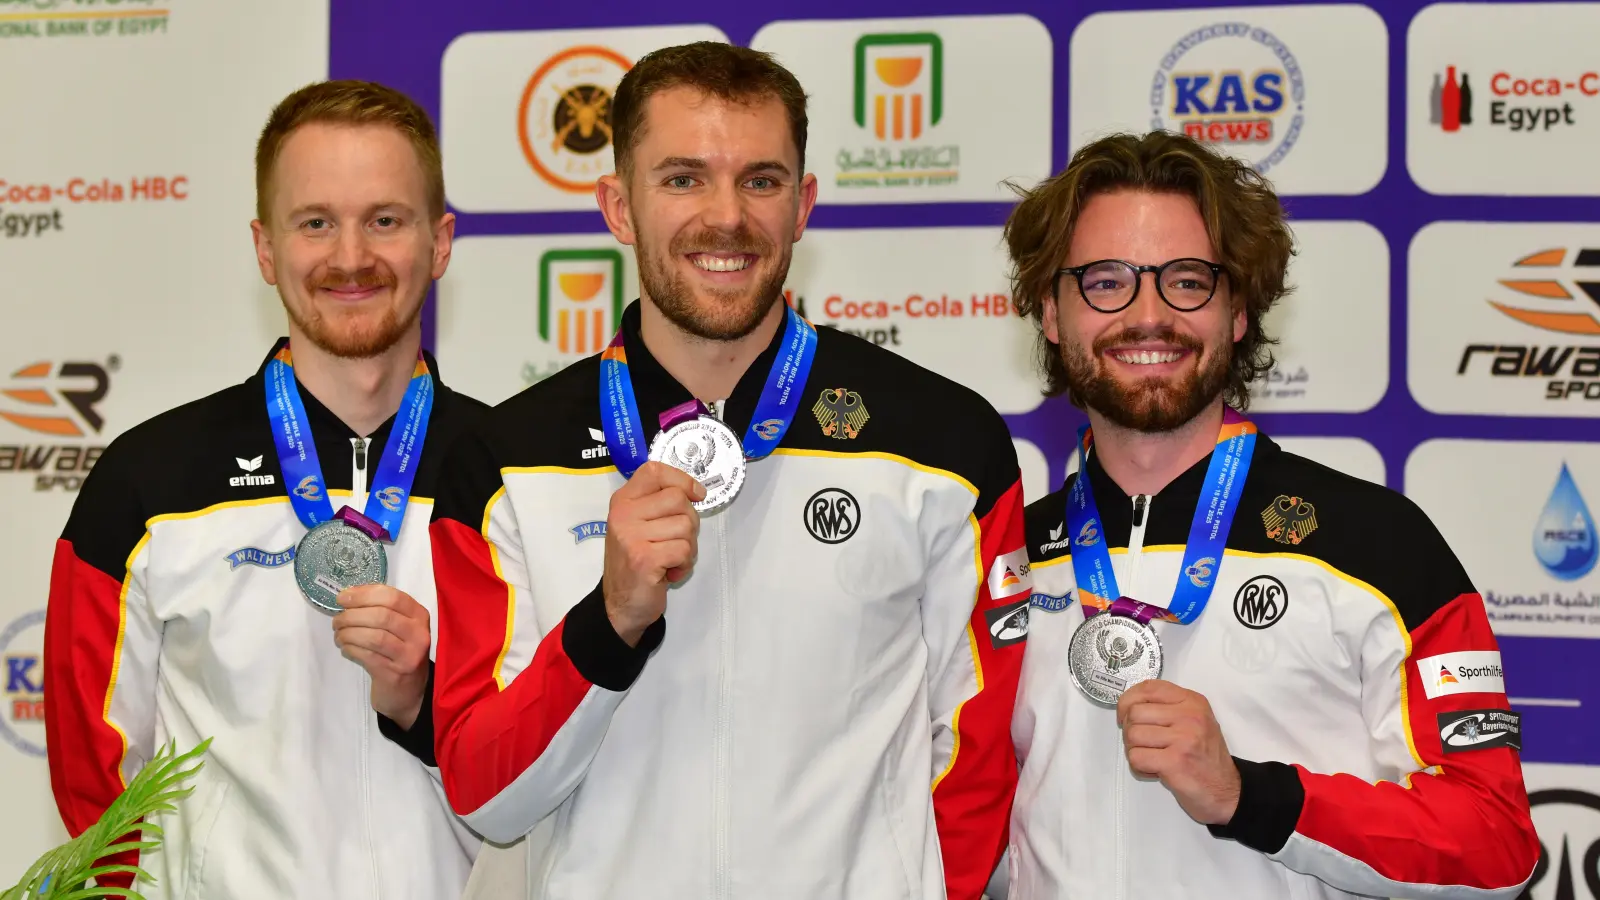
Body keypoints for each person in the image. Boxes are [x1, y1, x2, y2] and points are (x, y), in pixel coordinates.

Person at [426, 42, 1029, 899]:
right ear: (619, 207)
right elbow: (487, 795)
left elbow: (975, 763)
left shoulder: (945, 443)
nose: (727, 217)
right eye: (683, 179)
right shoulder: (505, 462)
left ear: (803, 204)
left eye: (760, 180)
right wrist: (609, 621)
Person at [997, 131, 1540, 899]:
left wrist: (1249, 796)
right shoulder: (1004, 560)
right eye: (1105, 280)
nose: (1149, 315)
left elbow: (1495, 843)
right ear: (1052, 312)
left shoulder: (1378, 544)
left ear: (1238, 311)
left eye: (1187, 281)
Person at [44, 80, 483, 898]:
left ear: (441, 241)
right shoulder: (150, 480)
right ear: (265, 248)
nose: (350, 257)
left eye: (385, 220)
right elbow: (95, 788)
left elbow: (549, 760)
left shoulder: (510, 475)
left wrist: (424, 703)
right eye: (315, 222)